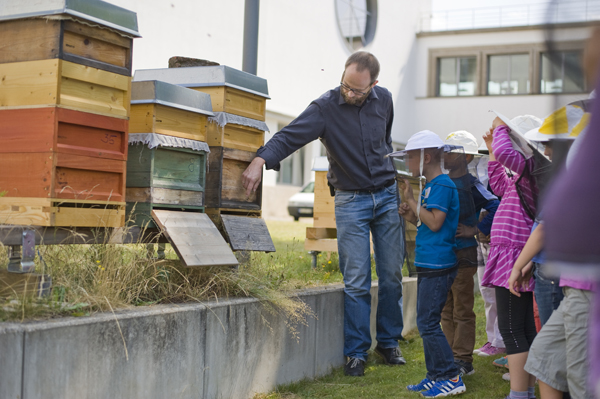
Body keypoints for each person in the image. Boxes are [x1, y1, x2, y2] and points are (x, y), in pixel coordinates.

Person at [242, 52, 405, 377]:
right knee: (357, 279)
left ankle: (389, 343)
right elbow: (289, 135)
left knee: (391, 275)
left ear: (374, 85)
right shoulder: (325, 107)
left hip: (387, 196)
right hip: (351, 201)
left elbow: (385, 138)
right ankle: (356, 353)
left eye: (358, 90)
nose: (349, 93)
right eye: (346, 85)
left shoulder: (384, 99)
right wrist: (261, 160)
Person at [394, 130, 466, 397]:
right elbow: (427, 224)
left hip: (438, 265)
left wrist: (413, 201)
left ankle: (451, 376)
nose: (408, 164)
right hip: (428, 263)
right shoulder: (432, 186)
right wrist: (411, 213)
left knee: (427, 323)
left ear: (426, 157)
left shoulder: (443, 185)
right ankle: (435, 375)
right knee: (427, 321)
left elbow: (435, 222)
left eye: (411, 157)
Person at [481, 114, 542, 399]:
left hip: (514, 256)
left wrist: (502, 124)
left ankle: (519, 394)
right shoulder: (523, 175)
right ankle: (526, 391)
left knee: (511, 327)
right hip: (513, 254)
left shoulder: (532, 169)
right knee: (522, 326)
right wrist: (493, 148)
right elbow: (497, 183)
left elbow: (507, 153)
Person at [442, 131, 501, 376]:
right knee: (445, 309)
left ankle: (463, 360)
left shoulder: (473, 184)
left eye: (451, 152)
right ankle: (447, 359)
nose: (444, 155)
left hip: (464, 254)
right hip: (442, 255)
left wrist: (474, 229)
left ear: (466, 157)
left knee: (462, 308)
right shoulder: (442, 182)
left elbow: (496, 205)